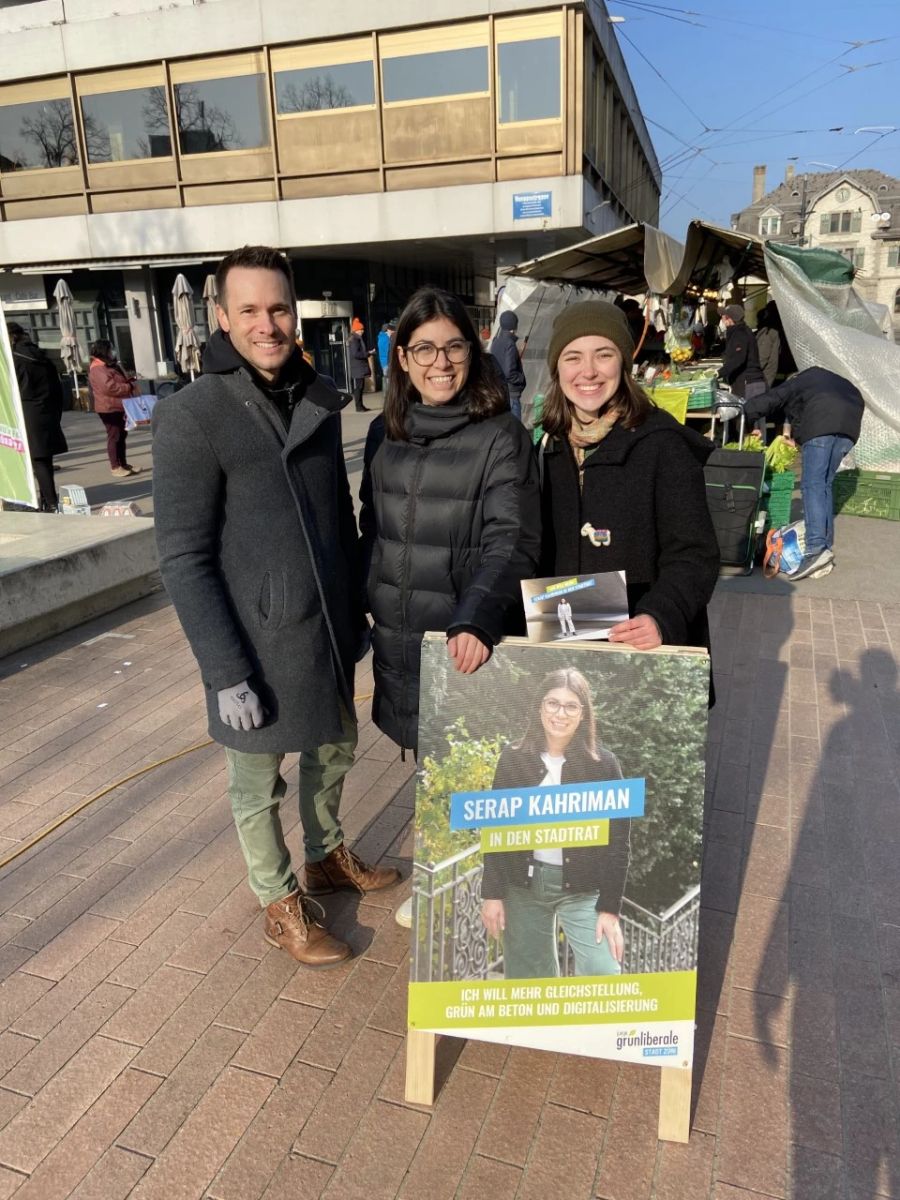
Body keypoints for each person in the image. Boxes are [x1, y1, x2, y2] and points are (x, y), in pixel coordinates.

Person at [152, 245, 399, 969]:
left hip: (323, 627)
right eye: (251, 310)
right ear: (222, 317)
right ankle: (278, 900)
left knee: (335, 748)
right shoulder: (193, 416)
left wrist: (353, 611)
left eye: (280, 308)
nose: (268, 324)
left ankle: (325, 856)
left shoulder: (320, 399)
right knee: (257, 782)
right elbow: (183, 556)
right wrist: (225, 671)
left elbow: (338, 518)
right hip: (253, 645)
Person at [359, 285, 541, 756]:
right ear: (402, 358)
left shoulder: (501, 436)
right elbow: (372, 530)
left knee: (473, 781)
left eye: (453, 346)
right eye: (424, 348)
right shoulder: (384, 432)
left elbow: (513, 539)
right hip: (398, 647)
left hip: (465, 648)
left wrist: (477, 618)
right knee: (434, 790)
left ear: (471, 352)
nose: (439, 363)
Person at [537, 300, 720, 661]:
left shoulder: (662, 443)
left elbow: (694, 553)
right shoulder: (546, 445)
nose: (588, 371)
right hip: (565, 639)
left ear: (623, 362)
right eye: (573, 357)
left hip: (639, 642)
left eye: (603, 354)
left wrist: (662, 614)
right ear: (557, 369)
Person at [480, 668, 630, 978]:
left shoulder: (604, 765)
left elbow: (618, 844)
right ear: (539, 707)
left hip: (583, 889)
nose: (560, 713)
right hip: (523, 886)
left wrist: (610, 909)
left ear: (583, 714)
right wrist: (492, 893)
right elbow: (495, 831)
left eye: (571, 705)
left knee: (603, 972)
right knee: (527, 983)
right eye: (552, 703)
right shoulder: (513, 758)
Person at [742, 366, 865, 580]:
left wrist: (746, 410)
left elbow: (774, 398)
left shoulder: (801, 380)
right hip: (849, 427)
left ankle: (815, 549)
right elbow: (797, 415)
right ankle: (824, 544)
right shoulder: (826, 381)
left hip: (823, 424)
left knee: (812, 486)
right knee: (823, 485)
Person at [7, 322, 68, 511]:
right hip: (46, 412)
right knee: (44, 461)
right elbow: (58, 391)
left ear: (11, 337)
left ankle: (46, 503)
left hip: (26, 414)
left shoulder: (14, 360)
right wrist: (55, 414)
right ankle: (48, 500)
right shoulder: (43, 357)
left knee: (32, 461)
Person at [88, 339, 141, 478]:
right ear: (103, 351)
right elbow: (109, 388)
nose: (113, 351)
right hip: (109, 407)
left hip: (119, 405)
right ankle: (115, 466)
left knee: (122, 435)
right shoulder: (98, 368)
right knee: (114, 436)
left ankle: (123, 463)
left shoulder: (110, 365)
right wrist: (127, 387)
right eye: (110, 349)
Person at [718, 304, 767, 440]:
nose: (722, 320)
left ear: (729, 319)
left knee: (752, 422)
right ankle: (749, 449)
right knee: (749, 421)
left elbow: (738, 359)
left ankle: (755, 455)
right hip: (748, 382)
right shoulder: (737, 332)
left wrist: (719, 373)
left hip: (750, 383)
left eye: (724, 317)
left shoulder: (740, 334)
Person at [489, 310, 526, 420]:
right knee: (515, 429)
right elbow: (509, 373)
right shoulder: (510, 344)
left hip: (499, 391)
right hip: (511, 394)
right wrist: (521, 378)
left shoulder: (495, 342)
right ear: (514, 325)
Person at [755, 305, 781, 389]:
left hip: (765, 376)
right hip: (772, 374)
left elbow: (762, 357)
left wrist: (752, 371)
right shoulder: (777, 330)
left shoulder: (768, 332)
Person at [348, 317, 371, 412]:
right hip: (358, 367)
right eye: (361, 329)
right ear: (356, 330)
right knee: (359, 388)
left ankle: (360, 405)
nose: (362, 331)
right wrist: (367, 354)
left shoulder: (355, 339)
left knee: (360, 387)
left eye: (362, 329)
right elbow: (356, 353)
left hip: (358, 367)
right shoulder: (355, 340)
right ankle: (358, 406)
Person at [376, 322, 393, 386]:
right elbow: (389, 350)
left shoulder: (380, 337)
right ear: (387, 330)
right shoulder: (386, 338)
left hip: (383, 362)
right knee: (389, 381)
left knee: (387, 379)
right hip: (387, 361)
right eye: (390, 329)